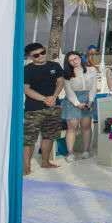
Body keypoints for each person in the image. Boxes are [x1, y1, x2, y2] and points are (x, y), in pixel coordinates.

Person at [23, 42, 65, 175]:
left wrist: (54, 96)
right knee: (29, 139)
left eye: (43, 52)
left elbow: (60, 81)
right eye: (36, 55)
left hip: (54, 106)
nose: (41, 56)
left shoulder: (54, 65)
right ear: (30, 57)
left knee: (49, 136)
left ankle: (45, 162)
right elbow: (26, 89)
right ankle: (26, 167)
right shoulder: (27, 69)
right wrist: (44, 99)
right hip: (33, 109)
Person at [61, 51, 98, 162]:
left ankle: (86, 150)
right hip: (73, 101)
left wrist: (90, 101)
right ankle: (70, 153)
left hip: (88, 100)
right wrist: (77, 103)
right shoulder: (67, 74)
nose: (74, 61)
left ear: (80, 58)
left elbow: (93, 87)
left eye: (76, 58)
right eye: (71, 60)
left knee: (86, 126)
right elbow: (68, 91)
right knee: (72, 128)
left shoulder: (92, 70)